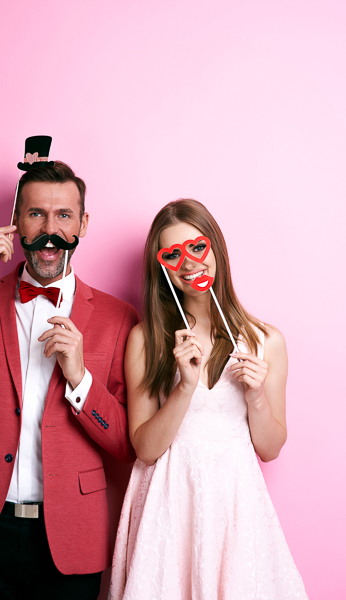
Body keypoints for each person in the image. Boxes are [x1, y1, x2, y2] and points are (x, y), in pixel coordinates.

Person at [0, 139, 138, 600]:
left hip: (68, 537)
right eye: (36, 214)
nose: (49, 230)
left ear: (82, 224)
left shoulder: (120, 320)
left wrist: (80, 378)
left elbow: (126, 442)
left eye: (63, 216)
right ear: (17, 222)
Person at [109, 199, 308, 600]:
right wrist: (184, 386)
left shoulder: (266, 340)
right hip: (170, 502)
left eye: (197, 247)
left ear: (215, 247)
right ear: (160, 266)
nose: (189, 263)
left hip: (236, 505)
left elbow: (269, 448)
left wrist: (256, 397)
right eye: (173, 255)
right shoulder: (146, 339)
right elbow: (145, 449)